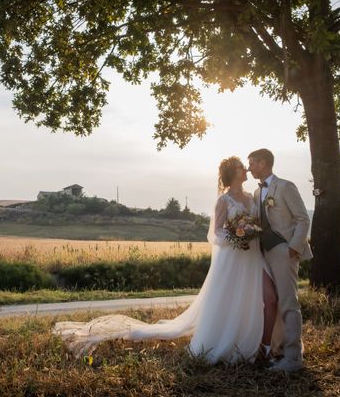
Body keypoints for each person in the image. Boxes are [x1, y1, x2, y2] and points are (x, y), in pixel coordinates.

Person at [53, 156, 278, 365]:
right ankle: (228, 342)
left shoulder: (251, 198)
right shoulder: (224, 201)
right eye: (241, 166)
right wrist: (237, 235)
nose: (246, 169)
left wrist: (250, 231)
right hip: (232, 257)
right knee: (230, 299)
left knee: (260, 297)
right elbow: (215, 234)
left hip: (253, 256)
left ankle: (259, 343)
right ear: (232, 172)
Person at [248, 148, 312, 373]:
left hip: (284, 252)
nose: (249, 167)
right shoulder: (256, 194)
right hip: (265, 254)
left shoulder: (285, 186)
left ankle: (294, 358)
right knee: (273, 303)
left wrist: (293, 247)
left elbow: (303, 219)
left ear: (264, 163)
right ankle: (279, 352)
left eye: (252, 163)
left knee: (288, 303)